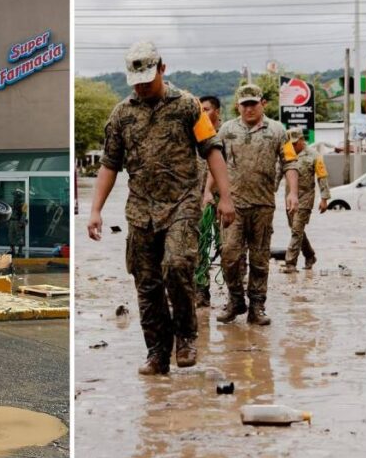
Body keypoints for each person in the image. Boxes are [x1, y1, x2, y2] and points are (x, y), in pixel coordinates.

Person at [87, 41, 235, 376]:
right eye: (136, 80)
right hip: (140, 210)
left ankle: (185, 336)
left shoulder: (188, 107)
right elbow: (109, 165)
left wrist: (225, 197)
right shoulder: (122, 114)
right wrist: (95, 210)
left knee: (177, 264)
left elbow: (212, 150)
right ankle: (157, 352)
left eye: (148, 78)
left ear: (162, 69)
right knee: (147, 283)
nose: (141, 85)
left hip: (182, 202)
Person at [209, 83, 299, 326]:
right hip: (232, 205)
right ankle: (236, 299)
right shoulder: (227, 130)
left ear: (263, 104)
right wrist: (208, 191)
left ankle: (257, 306)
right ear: (238, 105)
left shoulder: (278, 131)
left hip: (263, 205)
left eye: (253, 104)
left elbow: (290, 163)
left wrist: (292, 193)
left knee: (259, 259)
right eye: (244, 104)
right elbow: (215, 160)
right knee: (229, 255)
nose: (249, 109)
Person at [280, 127, 330, 273]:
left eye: (295, 143)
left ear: (302, 140)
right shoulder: (287, 154)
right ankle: (310, 255)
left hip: (305, 198)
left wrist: (324, 199)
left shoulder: (314, 155)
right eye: (291, 144)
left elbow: (322, 176)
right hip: (289, 198)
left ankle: (290, 263)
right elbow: (278, 173)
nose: (293, 147)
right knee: (296, 229)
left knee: (296, 230)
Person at [195, 95, 222, 308]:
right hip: (199, 203)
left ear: (217, 111)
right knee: (199, 246)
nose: (203, 114)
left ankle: (236, 294)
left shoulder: (227, 134)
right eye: (200, 110)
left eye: (207, 109)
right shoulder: (193, 136)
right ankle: (201, 291)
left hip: (224, 202)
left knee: (228, 249)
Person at [8, 189, 27, 257]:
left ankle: (20, 251)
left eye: (15, 195)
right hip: (12, 221)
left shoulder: (23, 204)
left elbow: (24, 214)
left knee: (19, 236)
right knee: (11, 236)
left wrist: (21, 222)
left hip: (18, 221)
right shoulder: (13, 204)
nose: (14, 197)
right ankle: (13, 251)